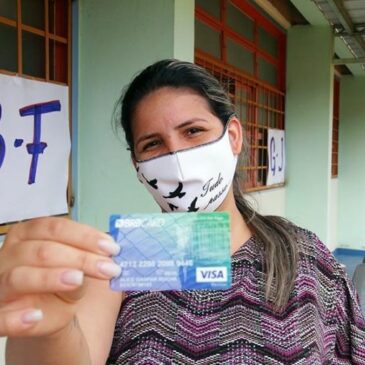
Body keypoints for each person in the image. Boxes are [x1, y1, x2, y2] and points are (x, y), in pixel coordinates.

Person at [1, 59, 364, 365]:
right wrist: (47, 326)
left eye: (193, 131)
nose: (176, 157)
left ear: (233, 136)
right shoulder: (122, 261)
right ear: (137, 165)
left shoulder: (304, 256)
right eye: (153, 143)